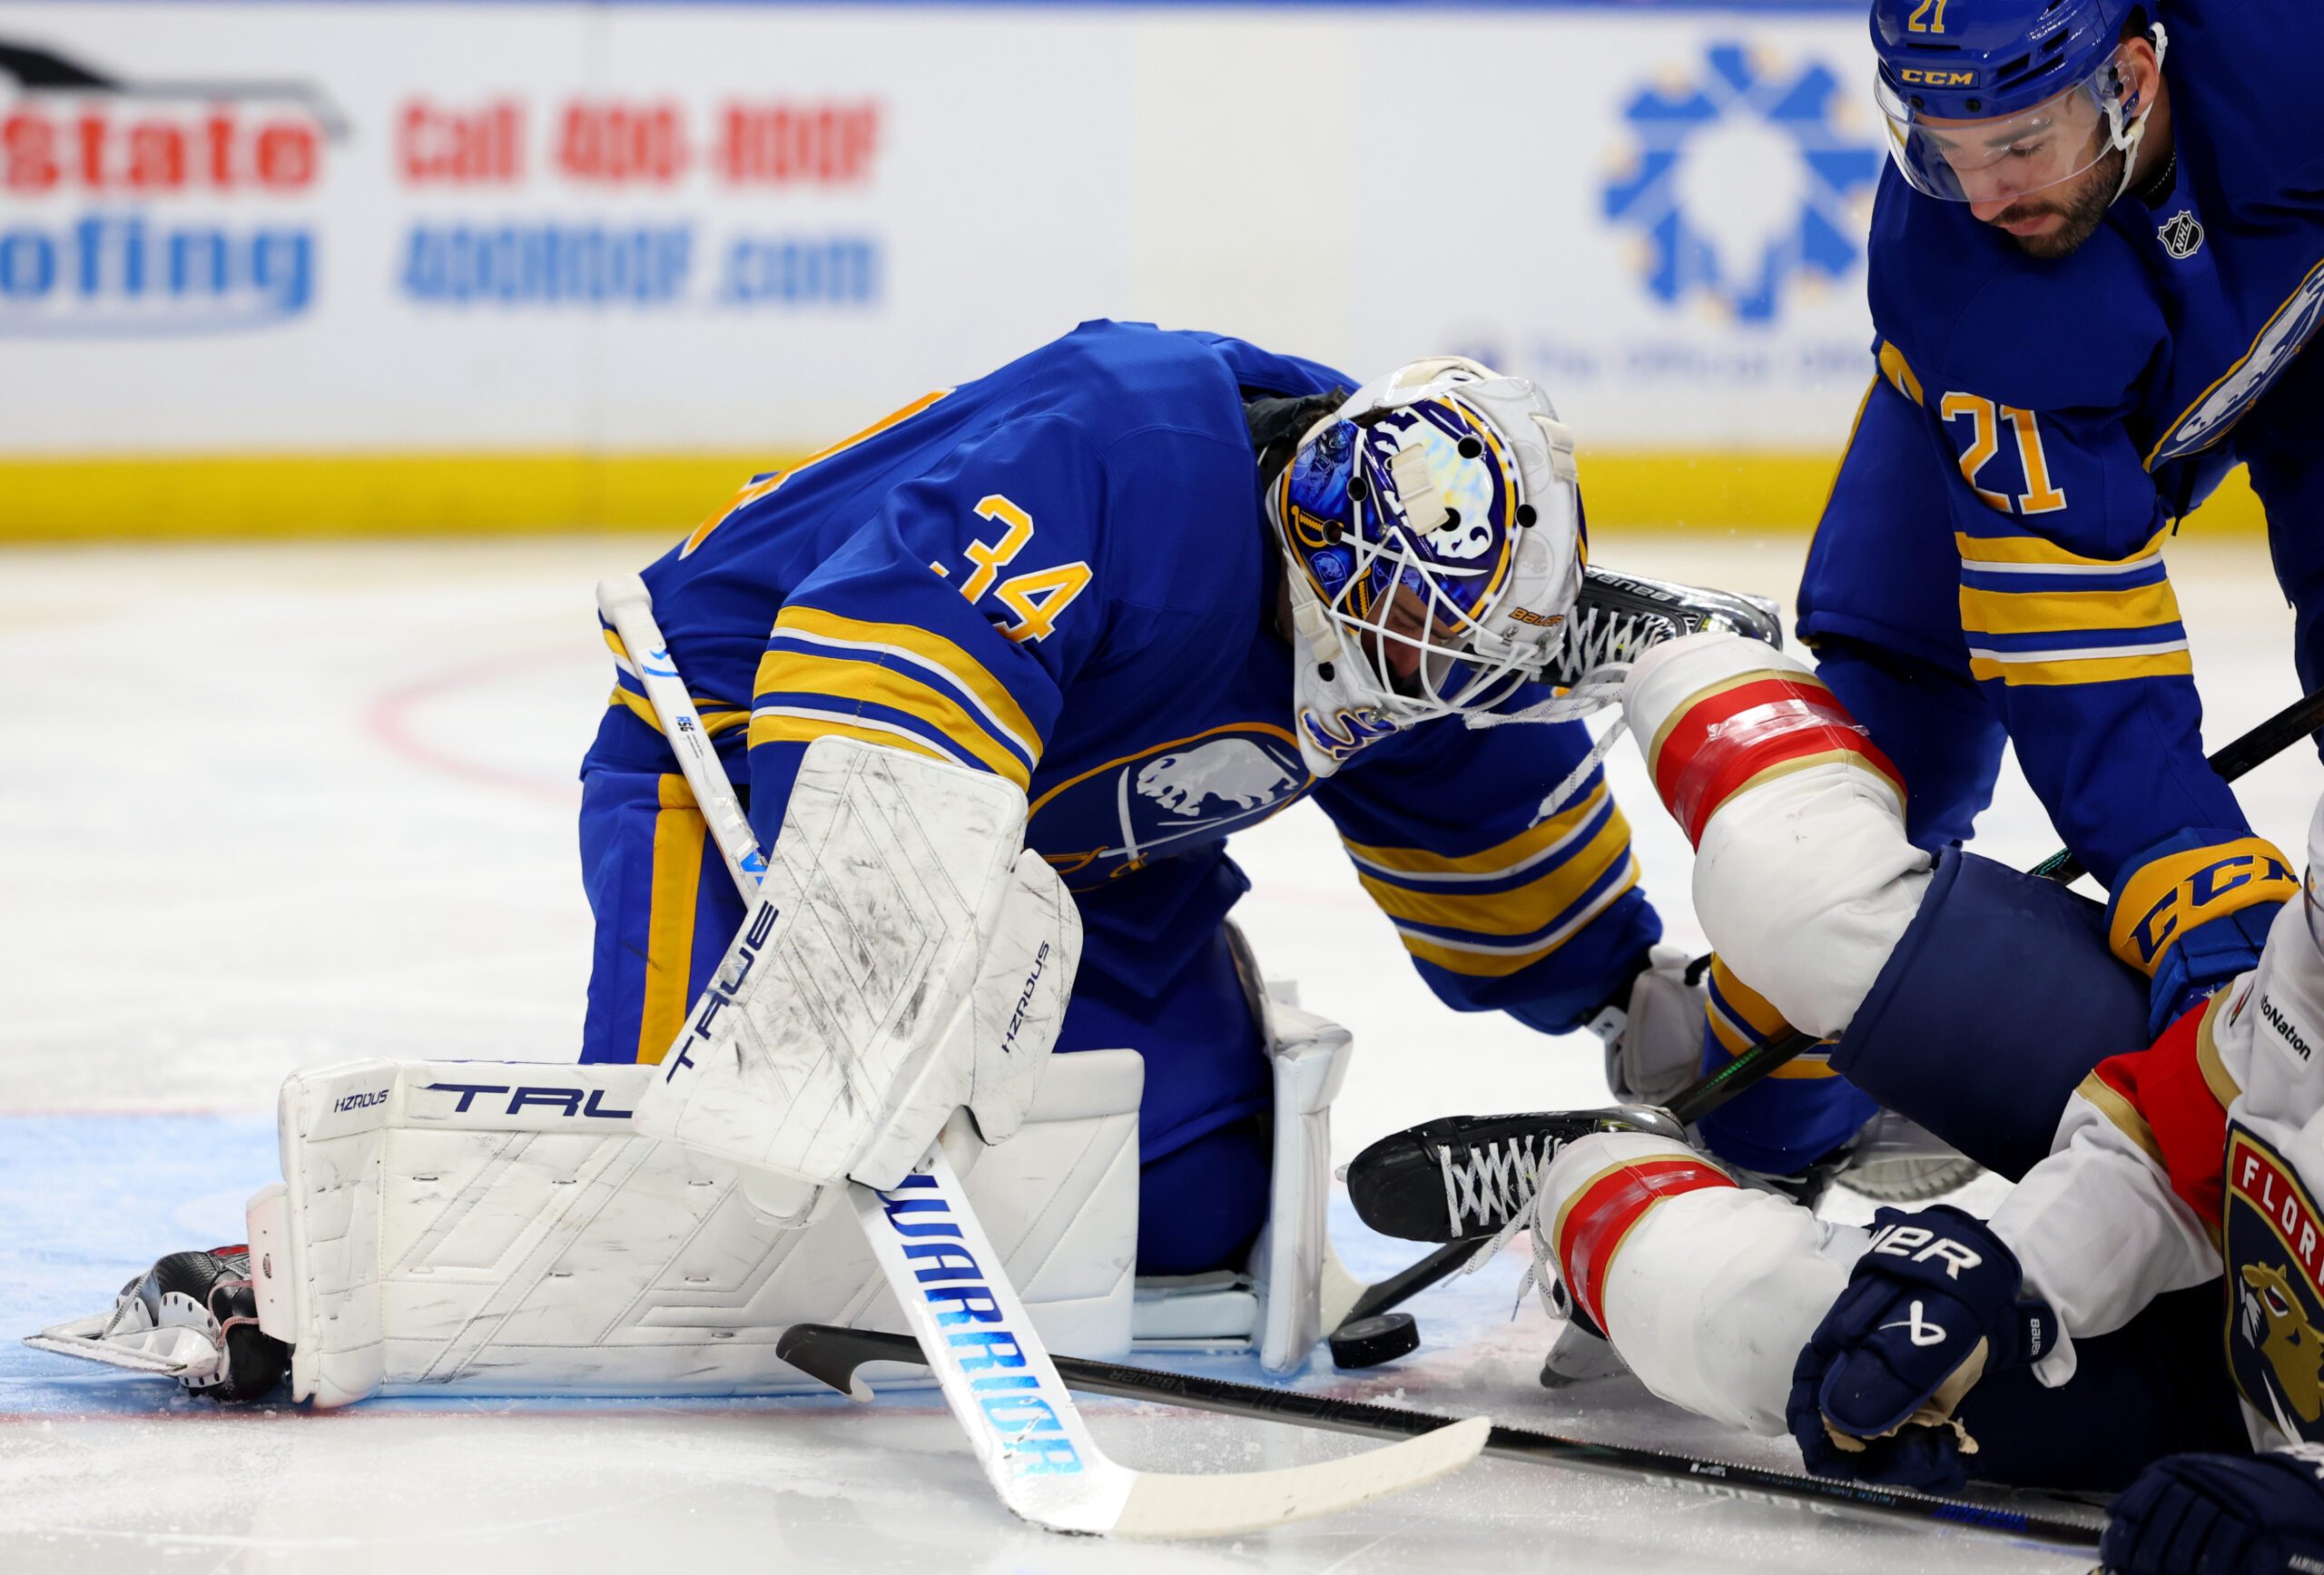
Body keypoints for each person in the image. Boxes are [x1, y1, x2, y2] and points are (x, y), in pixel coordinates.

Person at [42, 321, 1709, 1403]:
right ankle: (263, 1274)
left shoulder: (1430, 608)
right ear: (1314, 546)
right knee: (709, 1215)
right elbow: (872, 719)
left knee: (1197, 1212)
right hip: (756, 764)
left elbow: (1499, 839)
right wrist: (874, 1012)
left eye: (1453, 666)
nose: (1419, 686)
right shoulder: (1116, 450)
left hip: (1080, 860)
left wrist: (1652, 1018)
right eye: (1404, 652)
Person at [1696, 0, 2324, 1186]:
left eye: (2020, 145)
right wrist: (2193, 878)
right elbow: (2079, 646)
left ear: (2130, 77)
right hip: (1983, 449)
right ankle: (1748, 1151)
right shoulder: (1962, 272)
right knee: (1876, 790)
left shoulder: (2292, 51)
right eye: (1943, 151)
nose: (1982, 196)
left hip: (2308, 366)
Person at [1533, 626, 2320, 1572]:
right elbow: (2195, 1120)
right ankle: (1683, 648)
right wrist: (2010, 1282)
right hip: (2240, 1300)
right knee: (1803, 904)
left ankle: (1581, 1177)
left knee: (1744, 1321)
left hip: (2222, 1415)